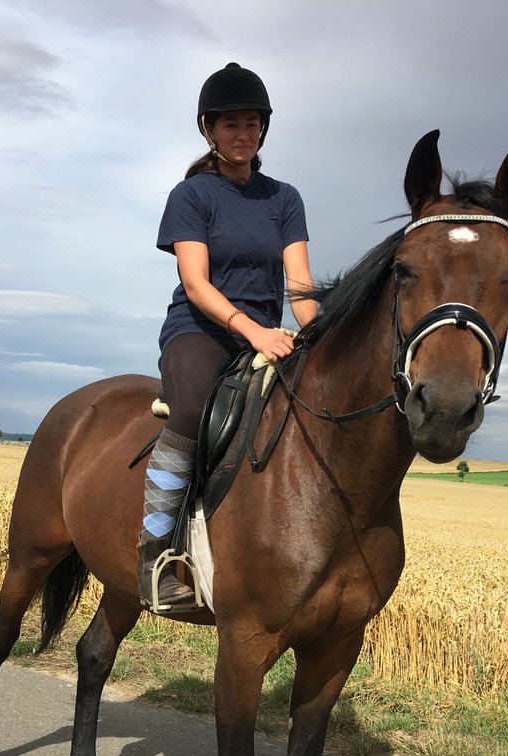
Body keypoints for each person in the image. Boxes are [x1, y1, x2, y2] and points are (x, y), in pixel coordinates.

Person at [139, 62, 317, 607]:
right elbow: (195, 284)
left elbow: (301, 286)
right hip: (201, 332)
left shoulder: (284, 198)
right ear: (209, 130)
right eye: (232, 124)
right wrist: (254, 332)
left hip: (267, 333)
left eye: (253, 124)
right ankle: (155, 554)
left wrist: (317, 336)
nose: (244, 134)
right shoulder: (192, 196)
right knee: (192, 409)